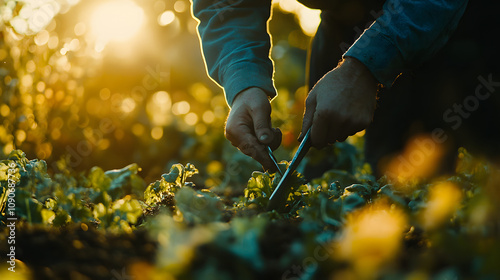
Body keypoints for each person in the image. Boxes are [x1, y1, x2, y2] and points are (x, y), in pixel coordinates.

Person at [190, 0, 472, 174]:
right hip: (343, 30)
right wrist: (244, 81)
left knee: (447, 189)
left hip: (455, 20)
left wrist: (365, 66)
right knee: (380, 181)